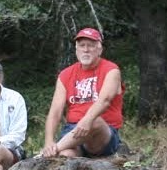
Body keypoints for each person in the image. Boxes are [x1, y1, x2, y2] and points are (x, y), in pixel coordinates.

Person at [41, 27, 124, 158]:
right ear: (76, 49)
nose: (85, 50)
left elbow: (105, 100)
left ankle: (50, 152)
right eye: (82, 45)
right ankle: (56, 150)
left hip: (102, 133)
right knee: (65, 155)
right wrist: (48, 141)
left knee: (95, 121)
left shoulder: (111, 70)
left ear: (99, 49)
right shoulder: (65, 74)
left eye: (90, 46)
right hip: (72, 132)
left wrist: (87, 120)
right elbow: (55, 111)